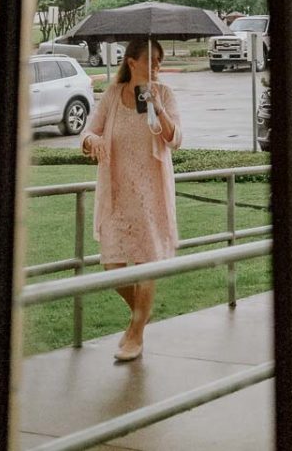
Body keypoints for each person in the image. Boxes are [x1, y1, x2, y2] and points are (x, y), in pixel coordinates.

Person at [80, 37, 183, 361]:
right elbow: (87, 132)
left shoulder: (163, 94)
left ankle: (136, 333)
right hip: (117, 193)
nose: (155, 67)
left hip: (150, 192)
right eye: (150, 61)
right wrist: (92, 141)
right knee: (113, 265)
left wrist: (159, 107)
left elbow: (175, 139)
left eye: (159, 61)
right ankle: (141, 312)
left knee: (145, 262)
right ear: (131, 62)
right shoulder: (112, 95)